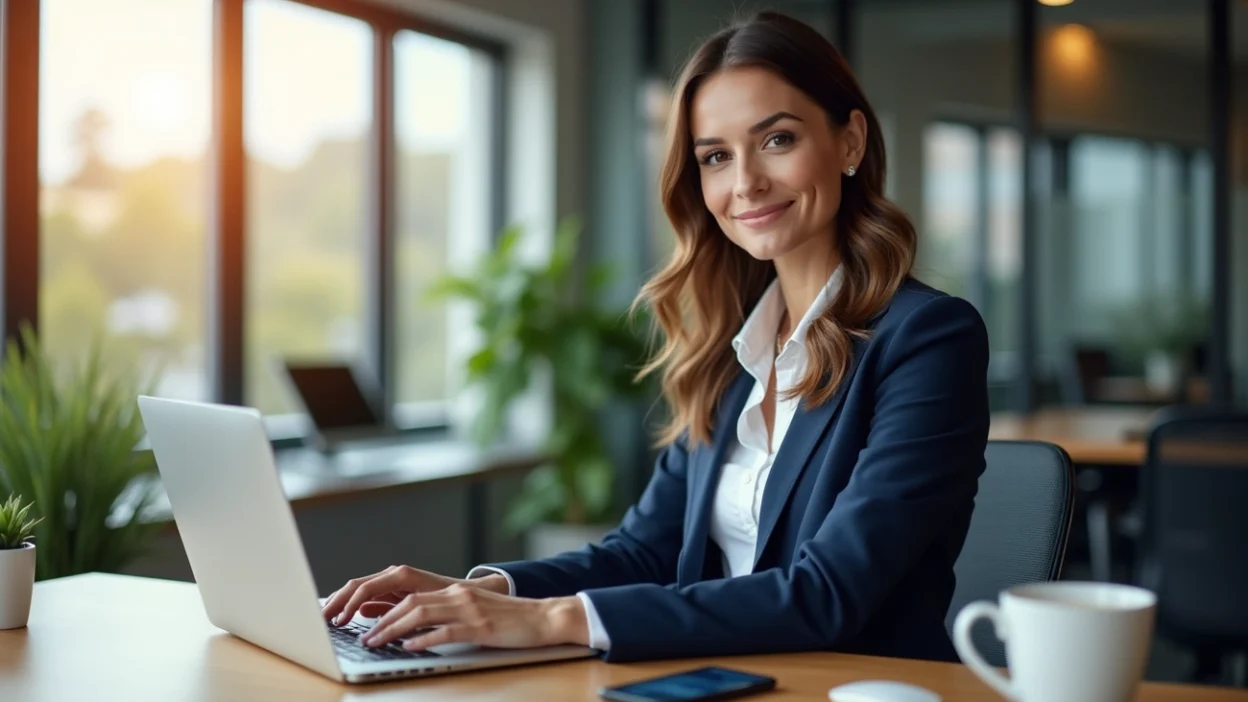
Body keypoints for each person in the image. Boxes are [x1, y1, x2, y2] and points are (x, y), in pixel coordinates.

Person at [321, 10, 989, 665]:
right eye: (716, 157)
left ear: (850, 141)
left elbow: (829, 594)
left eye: (777, 139)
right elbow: (644, 550)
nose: (746, 182)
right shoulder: (732, 352)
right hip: (722, 677)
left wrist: (545, 619)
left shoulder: (926, 339)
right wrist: (481, 591)